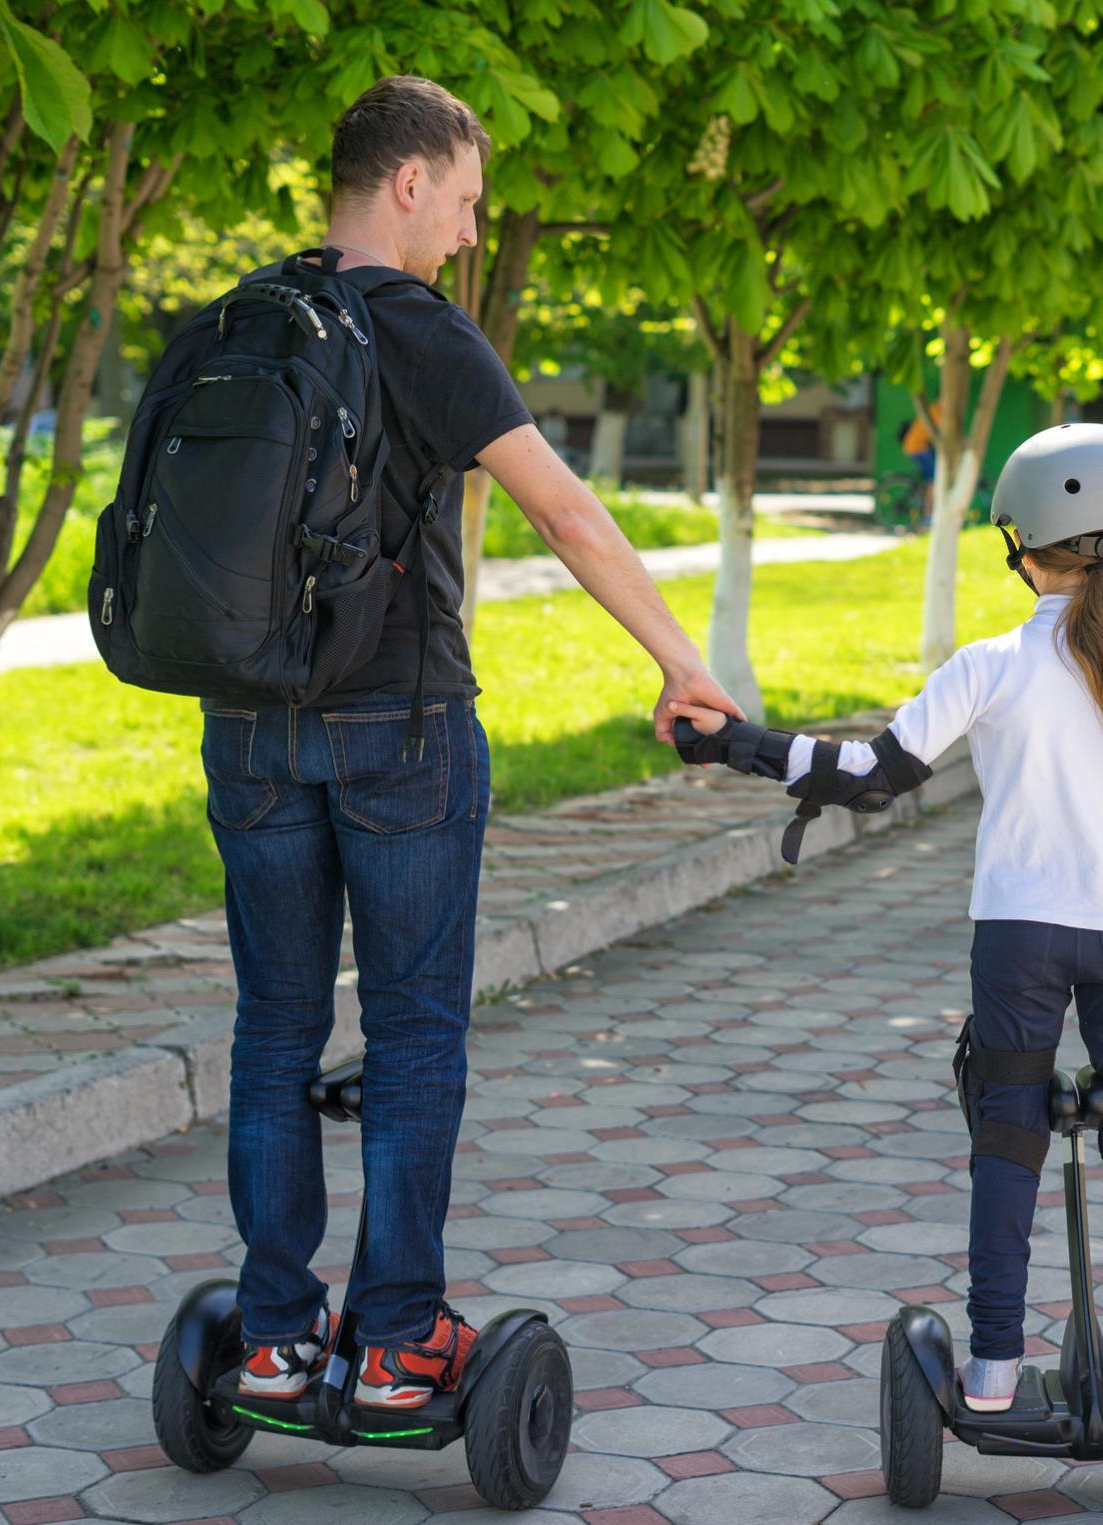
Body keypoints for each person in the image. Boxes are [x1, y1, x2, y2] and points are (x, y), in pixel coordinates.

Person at [215, 76, 740, 1410]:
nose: (462, 231)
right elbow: (566, 516)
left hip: (252, 733)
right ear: (408, 182)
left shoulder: (240, 318)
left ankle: (272, 1338)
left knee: (274, 1026)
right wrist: (683, 661)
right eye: (461, 202)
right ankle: (396, 1340)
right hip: (401, 730)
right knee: (411, 1033)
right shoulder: (417, 327)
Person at [669, 423, 1103, 1415]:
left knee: (1008, 1129)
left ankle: (991, 1369)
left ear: (1019, 544)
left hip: (1018, 935)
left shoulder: (991, 665)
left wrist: (736, 744)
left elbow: (867, 777)